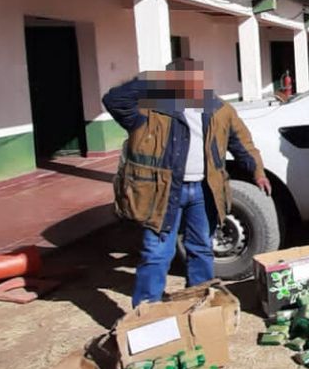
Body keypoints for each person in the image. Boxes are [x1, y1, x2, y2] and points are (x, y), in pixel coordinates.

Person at [103, 58, 269, 307]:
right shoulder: (149, 110)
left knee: (201, 247)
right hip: (161, 192)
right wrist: (151, 82)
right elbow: (113, 99)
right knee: (157, 253)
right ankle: (147, 311)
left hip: (204, 191)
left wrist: (257, 171)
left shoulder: (219, 109)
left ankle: (199, 300)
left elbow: (241, 143)